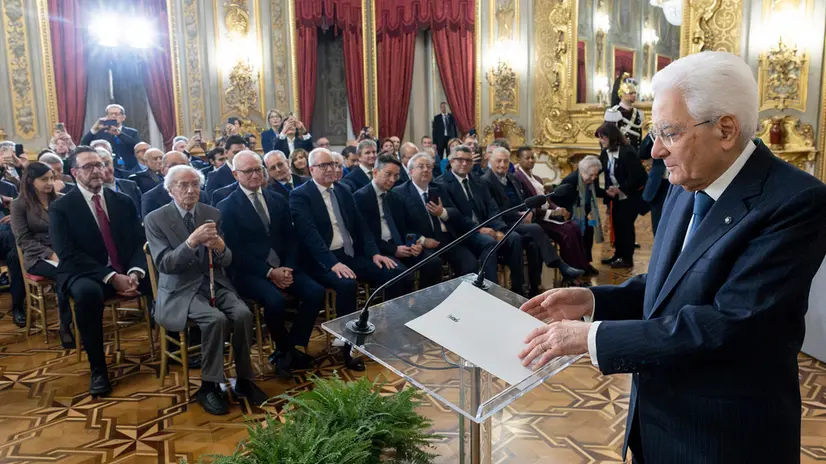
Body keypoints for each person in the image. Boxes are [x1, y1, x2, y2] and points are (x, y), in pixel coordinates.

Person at [518, 51, 826, 463]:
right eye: (654, 132)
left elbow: (732, 323)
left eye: (669, 132)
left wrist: (592, 338)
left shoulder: (794, 201)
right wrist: (594, 301)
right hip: (656, 423)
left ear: (726, 130)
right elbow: (674, 285)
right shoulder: (686, 183)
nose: (655, 151)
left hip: (724, 437)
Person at [144, 165, 266, 414]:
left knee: (242, 314)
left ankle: (244, 379)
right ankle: (209, 386)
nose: (190, 190)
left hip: (213, 282)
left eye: (195, 185)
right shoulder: (156, 219)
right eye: (183, 185)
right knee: (215, 319)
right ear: (170, 190)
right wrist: (190, 243)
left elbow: (226, 260)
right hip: (179, 289)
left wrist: (221, 247)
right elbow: (165, 265)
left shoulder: (211, 213)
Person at [290, 148, 412, 370]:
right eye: (324, 166)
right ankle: (346, 347)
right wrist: (332, 263)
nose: (331, 169)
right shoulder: (300, 195)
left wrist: (375, 252)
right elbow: (310, 236)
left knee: (396, 272)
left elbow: (361, 227)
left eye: (333, 165)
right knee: (346, 285)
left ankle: (393, 330)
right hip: (320, 260)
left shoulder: (343, 190)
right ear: (311, 170)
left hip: (349, 254)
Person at [49, 146, 150, 397]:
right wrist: (112, 278)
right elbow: (67, 253)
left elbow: (140, 242)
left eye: (99, 165)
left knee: (164, 278)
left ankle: (178, 344)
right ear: (74, 173)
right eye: (88, 166)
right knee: (86, 295)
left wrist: (135, 272)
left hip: (126, 270)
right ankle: (98, 369)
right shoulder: (62, 208)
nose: (96, 170)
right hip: (84, 271)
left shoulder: (122, 201)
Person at [218, 152, 323, 378]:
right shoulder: (227, 206)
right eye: (249, 171)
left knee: (315, 292)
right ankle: (284, 351)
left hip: (284, 266)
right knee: (274, 301)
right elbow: (236, 252)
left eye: (258, 169)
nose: (255, 175)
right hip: (250, 272)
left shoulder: (276, 198)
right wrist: (269, 272)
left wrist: (288, 268)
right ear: (236, 174)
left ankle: (292, 346)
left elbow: (291, 239)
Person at [481, 147, 584, 290]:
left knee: (533, 244)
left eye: (505, 161)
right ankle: (560, 266)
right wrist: (519, 215)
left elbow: (523, 201)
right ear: (490, 161)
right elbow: (493, 210)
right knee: (536, 228)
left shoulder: (512, 178)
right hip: (503, 222)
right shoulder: (486, 181)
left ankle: (533, 287)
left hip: (519, 220)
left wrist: (528, 211)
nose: (502, 164)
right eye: (498, 161)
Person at [435, 145, 526, 294]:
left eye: (468, 160)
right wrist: (479, 229)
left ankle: (518, 289)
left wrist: (500, 229)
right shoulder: (442, 183)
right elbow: (455, 217)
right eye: (460, 160)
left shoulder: (477, 182)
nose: (464, 164)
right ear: (451, 161)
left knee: (514, 238)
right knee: (489, 243)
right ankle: (490, 292)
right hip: (462, 233)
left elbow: (492, 208)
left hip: (486, 229)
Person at [353, 154, 443, 290]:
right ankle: (402, 310)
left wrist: (412, 243)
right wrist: (393, 250)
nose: (392, 180)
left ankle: (427, 304)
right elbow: (365, 237)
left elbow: (405, 227)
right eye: (388, 174)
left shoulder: (395, 197)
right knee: (402, 275)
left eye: (396, 176)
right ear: (375, 172)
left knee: (433, 262)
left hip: (400, 246)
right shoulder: (360, 198)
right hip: (378, 250)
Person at [10, 163, 74, 347]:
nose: (50, 183)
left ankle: (84, 315)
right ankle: (65, 325)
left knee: (76, 269)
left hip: (64, 250)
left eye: (52, 178)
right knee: (65, 273)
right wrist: (51, 254)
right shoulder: (19, 204)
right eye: (44, 179)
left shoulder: (61, 200)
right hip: (37, 256)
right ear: (31, 180)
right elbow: (23, 240)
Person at [513, 146, 592, 272]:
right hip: (537, 219)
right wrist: (552, 212)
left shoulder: (537, 178)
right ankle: (570, 270)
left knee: (575, 227)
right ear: (519, 160)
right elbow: (528, 205)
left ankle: (583, 266)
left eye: (532, 157)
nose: (531, 160)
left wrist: (559, 208)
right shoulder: (517, 178)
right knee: (567, 232)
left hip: (549, 216)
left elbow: (548, 200)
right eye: (526, 158)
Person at [596, 123, 646, 268]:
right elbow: (602, 172)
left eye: (603, 137)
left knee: (626, 226)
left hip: (631, 196)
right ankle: (618, 256)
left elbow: (638, 176)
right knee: (617, 225)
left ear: (611, 137)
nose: (601, 141)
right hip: (616, 196)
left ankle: (627, 259)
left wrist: (620, 189)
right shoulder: (605, 153)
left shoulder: (627, 151)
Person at [556, 155, 604, 275]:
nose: (594, 178)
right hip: (567, 216)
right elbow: (558, 201)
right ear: (582, 171)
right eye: (591, 175)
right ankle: (577, 264)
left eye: (596, 175)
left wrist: (608, 193)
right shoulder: (571, 181)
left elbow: (595, 192)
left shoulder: (588, 179)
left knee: (589, 230)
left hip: (583, 215)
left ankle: (586, 262)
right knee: (578, 231)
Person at [141, 151, 209, 217]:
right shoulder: (150, 198)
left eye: (182, 165)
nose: (179, 170)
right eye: (173, 166)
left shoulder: (201, 195)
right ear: (162, 170)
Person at [80, 104, 141, 171]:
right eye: (111, 114)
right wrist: (94, 129)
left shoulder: (132, 132)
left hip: (130, 169)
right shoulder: (99, 132)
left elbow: (137, 148)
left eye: (117, 114)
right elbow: (83, 145)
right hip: (106, 169)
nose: (113, 116)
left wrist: (120, 134)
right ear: (106, 117)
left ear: (123, 117)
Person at [97, 148, 142, 218]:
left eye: (107, 164)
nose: (105, 170)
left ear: (112, 163)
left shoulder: (131, 185)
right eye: (100, 166)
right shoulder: (95, 191)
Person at [604, 73, 644, 149]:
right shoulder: (613, 112)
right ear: (621, 94)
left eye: (635, 93)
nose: (634, 95)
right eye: (631, 93)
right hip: (620, 152)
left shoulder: (638, 113)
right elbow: (609, 136)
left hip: (635, 153)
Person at [639, 134, 668, 235]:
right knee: (657, 225)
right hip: (659, 184)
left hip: (679, 184)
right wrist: (651, 134)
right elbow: (642, 153)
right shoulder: (655, 135)